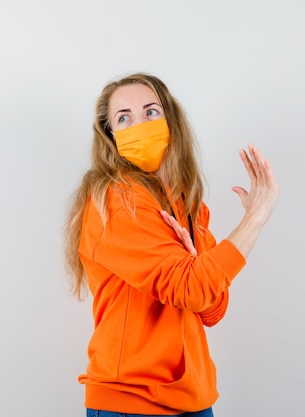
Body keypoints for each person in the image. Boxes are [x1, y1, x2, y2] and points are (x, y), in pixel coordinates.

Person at [64, 73, 279, 416]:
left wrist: (199, 271)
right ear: (111, 137)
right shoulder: (117, 200)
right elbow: (193, 289)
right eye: (124, 118)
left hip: (193, 398)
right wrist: (255, 218)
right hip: (132, 402)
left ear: (171, 120)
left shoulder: (188, 204)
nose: (140, 125)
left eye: (151, 112)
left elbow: (212, 308)